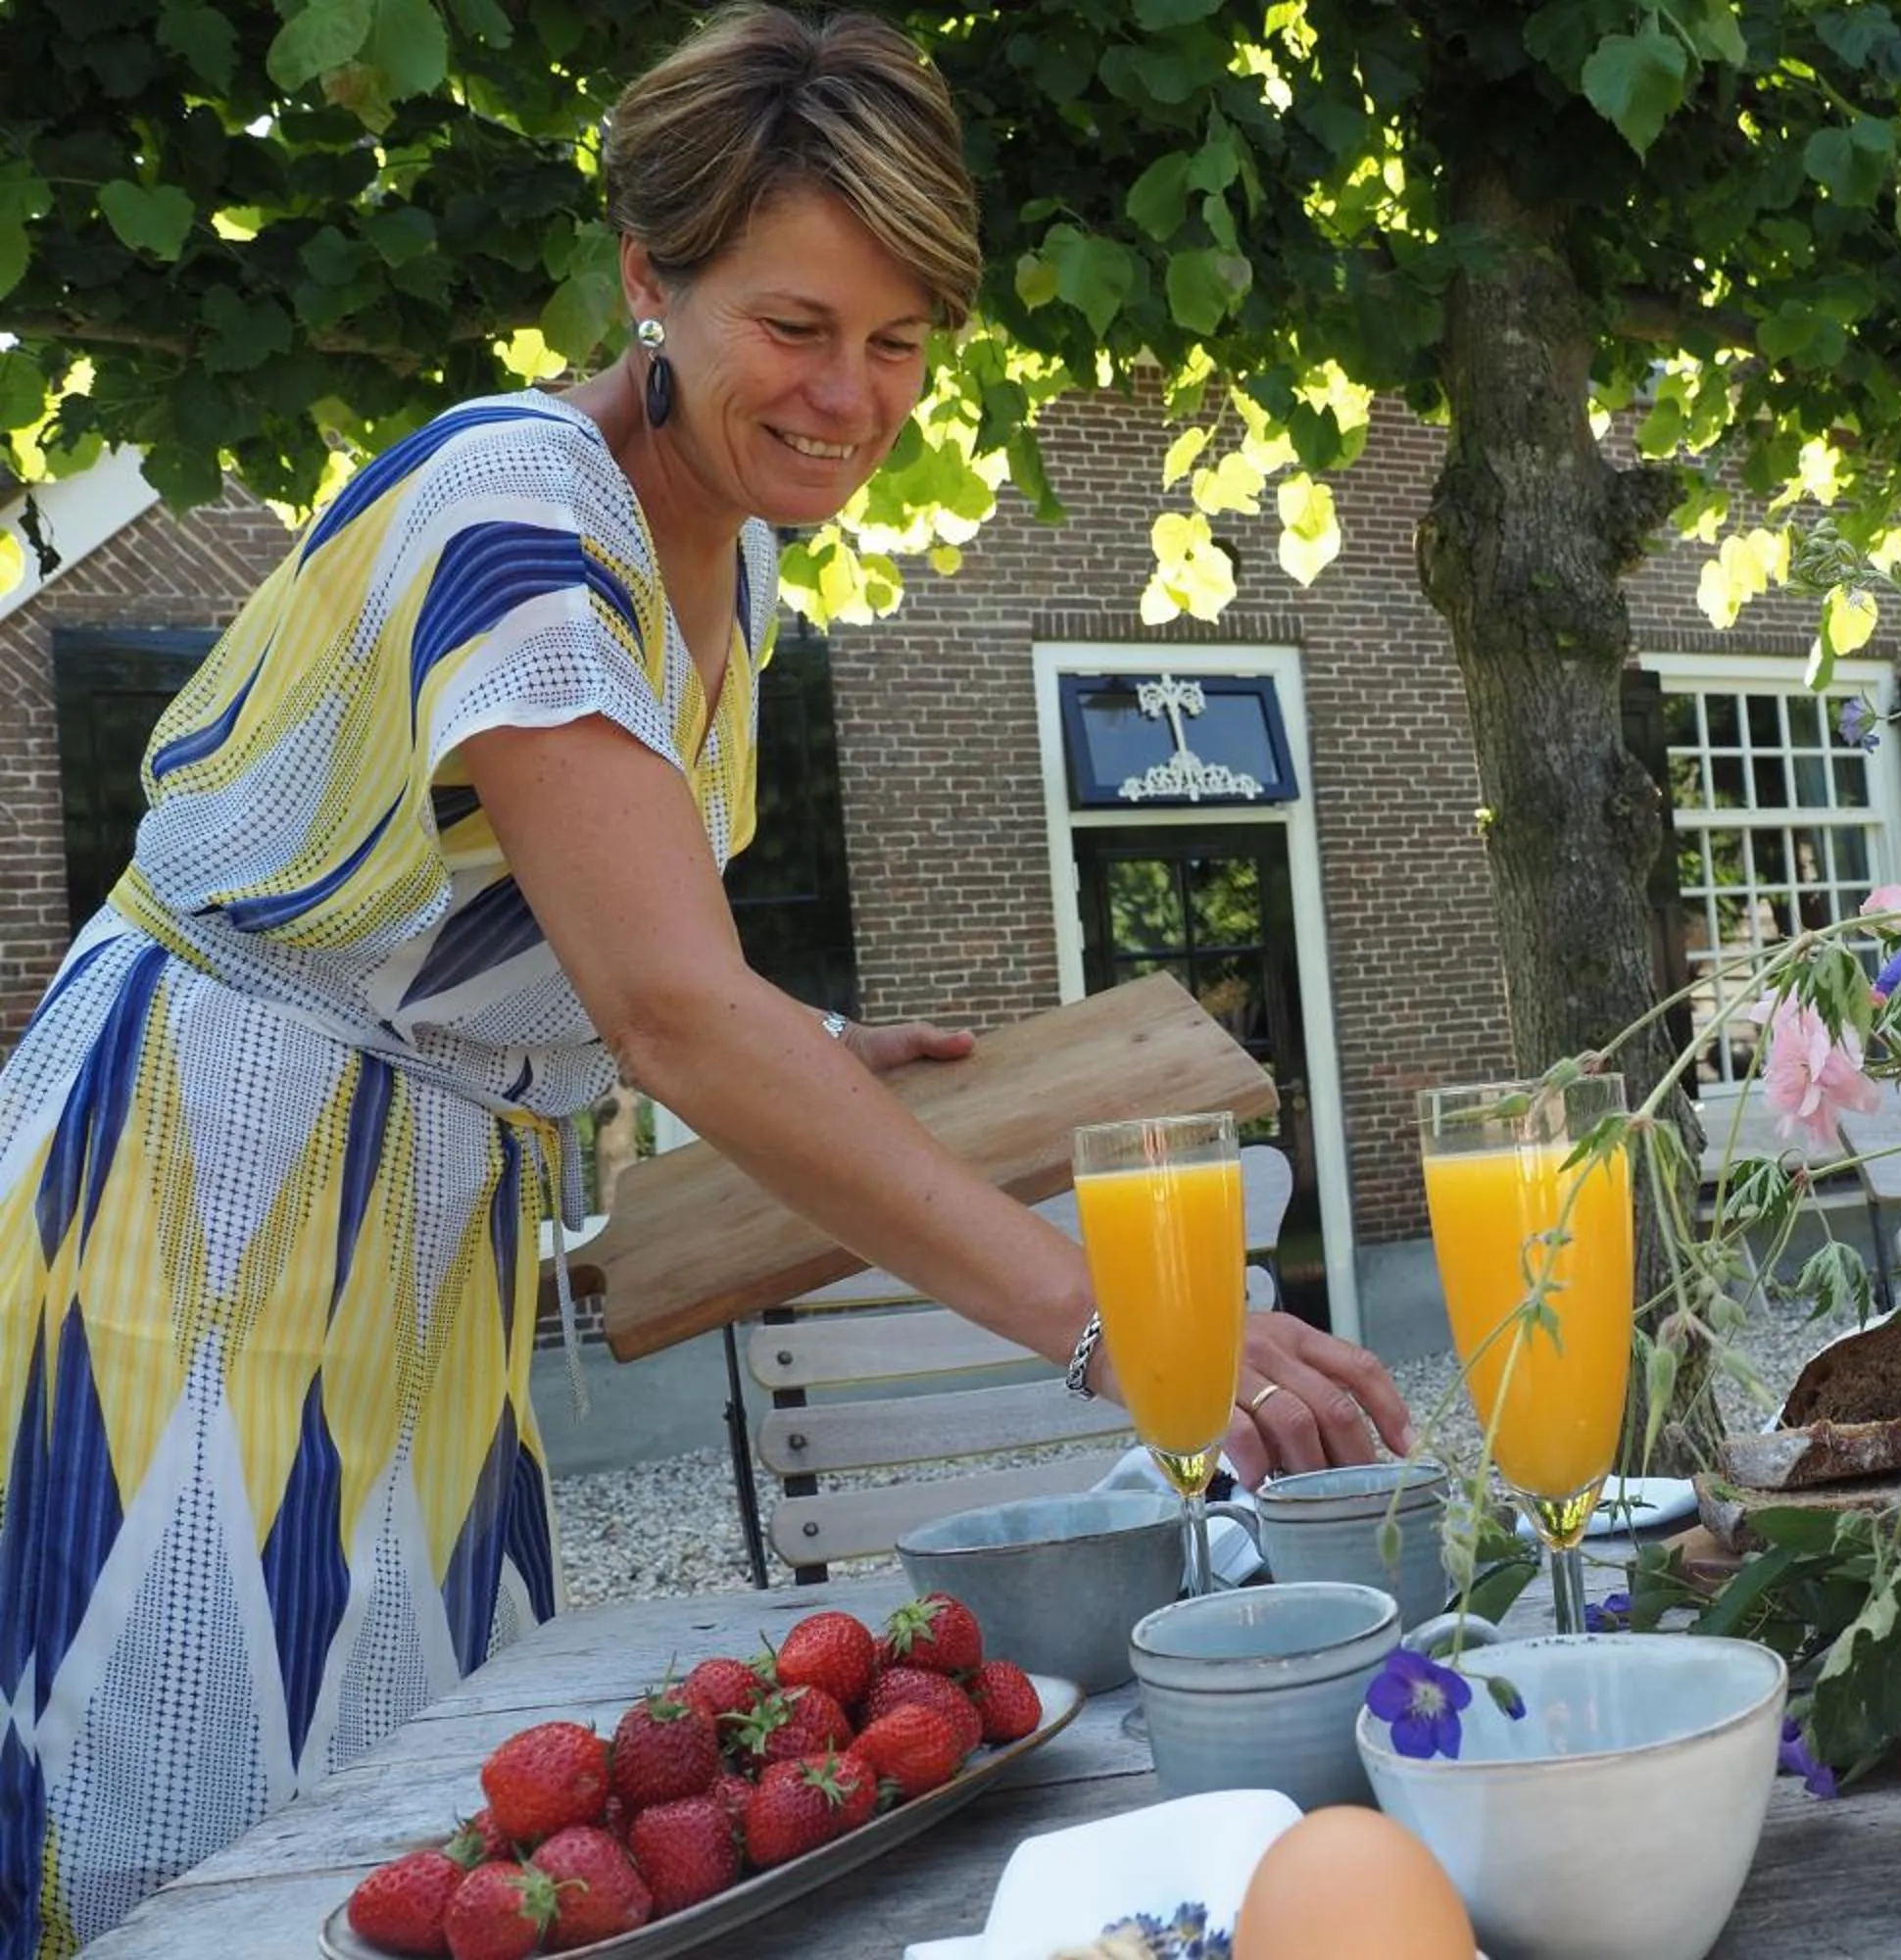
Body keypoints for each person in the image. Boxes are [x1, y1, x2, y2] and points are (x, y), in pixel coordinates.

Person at [0, 8, 1412, 1951]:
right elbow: (671, 1006)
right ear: (649, 281)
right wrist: (1115, 1331)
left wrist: (820, 1049)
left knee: (423, 1835)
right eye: (797, 325)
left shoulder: (731, 561)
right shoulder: (518, 513)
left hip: (417, 1237)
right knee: (204, 1849)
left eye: (901, 339)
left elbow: (566, 934)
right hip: (189, 1224)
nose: (854, 394)